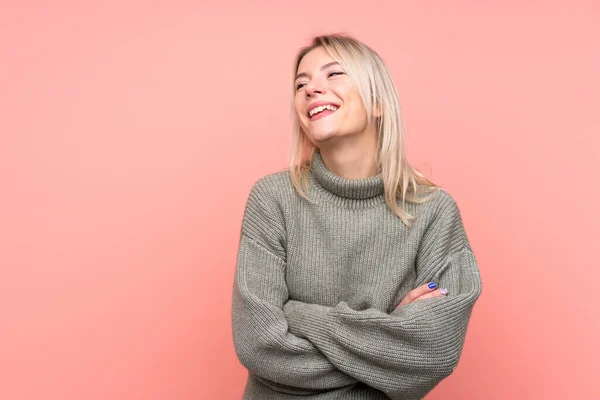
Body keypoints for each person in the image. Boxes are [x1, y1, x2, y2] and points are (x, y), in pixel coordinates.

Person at [231, 33, 483, 400]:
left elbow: (434, 351)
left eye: (333, 74)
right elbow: (259, 345)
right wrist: (390, 343)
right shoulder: (273, 200)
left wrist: (299, 316)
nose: (311, 89)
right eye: (301, 83)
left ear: (377, 102)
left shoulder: (433, 210)